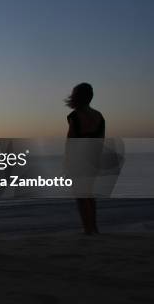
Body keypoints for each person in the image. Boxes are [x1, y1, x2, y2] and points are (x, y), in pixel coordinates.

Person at [65, 82, 105, 235]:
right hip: (94, 159)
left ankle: (88, 229)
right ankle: (93, 227)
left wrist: (68, 163)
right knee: (89, 194)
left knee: (81, 196)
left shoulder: (75, 116)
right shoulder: (99, 116)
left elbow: (71, 142)